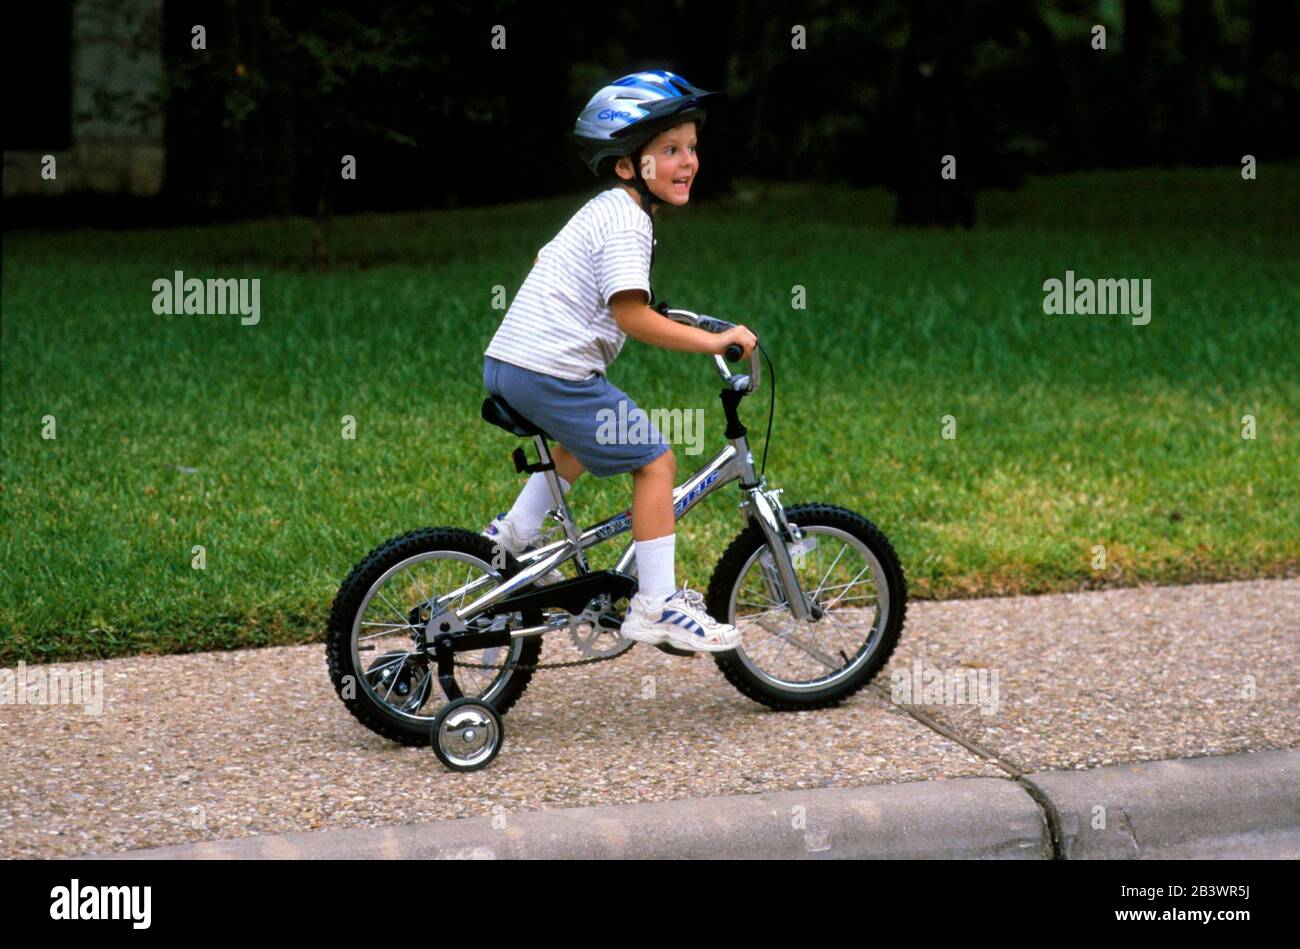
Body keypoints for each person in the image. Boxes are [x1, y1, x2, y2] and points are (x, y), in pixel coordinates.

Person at [481, 69, 757, 652]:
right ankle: (655, 606)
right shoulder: (629, 221)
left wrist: (667, 314)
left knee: (587, 437)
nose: (689, 162)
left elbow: (555, 265)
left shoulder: (606, 208)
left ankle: (512, 537)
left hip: (511, 363)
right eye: (670, 150)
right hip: (550, 371)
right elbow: (631, 316)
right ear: (630, 165)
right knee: (656, 459)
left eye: (692, 148)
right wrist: (715, 341)